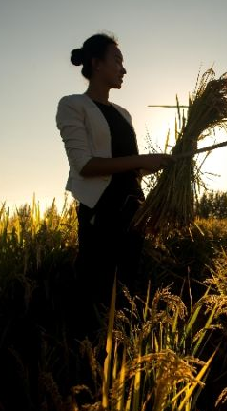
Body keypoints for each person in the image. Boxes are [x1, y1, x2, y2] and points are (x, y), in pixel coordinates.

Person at [55, 32, 176, 344]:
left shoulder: (124, 114)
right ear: (97, 64)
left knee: (127, 293)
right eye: (117, 61)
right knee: (97, 292)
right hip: (101, 214)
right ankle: (87, 366)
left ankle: (121, 362)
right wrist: (140, 159)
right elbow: (85, 164)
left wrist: (160, 163)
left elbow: (130, 169)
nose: (124, 69)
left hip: (133, 213)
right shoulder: (73, 105)